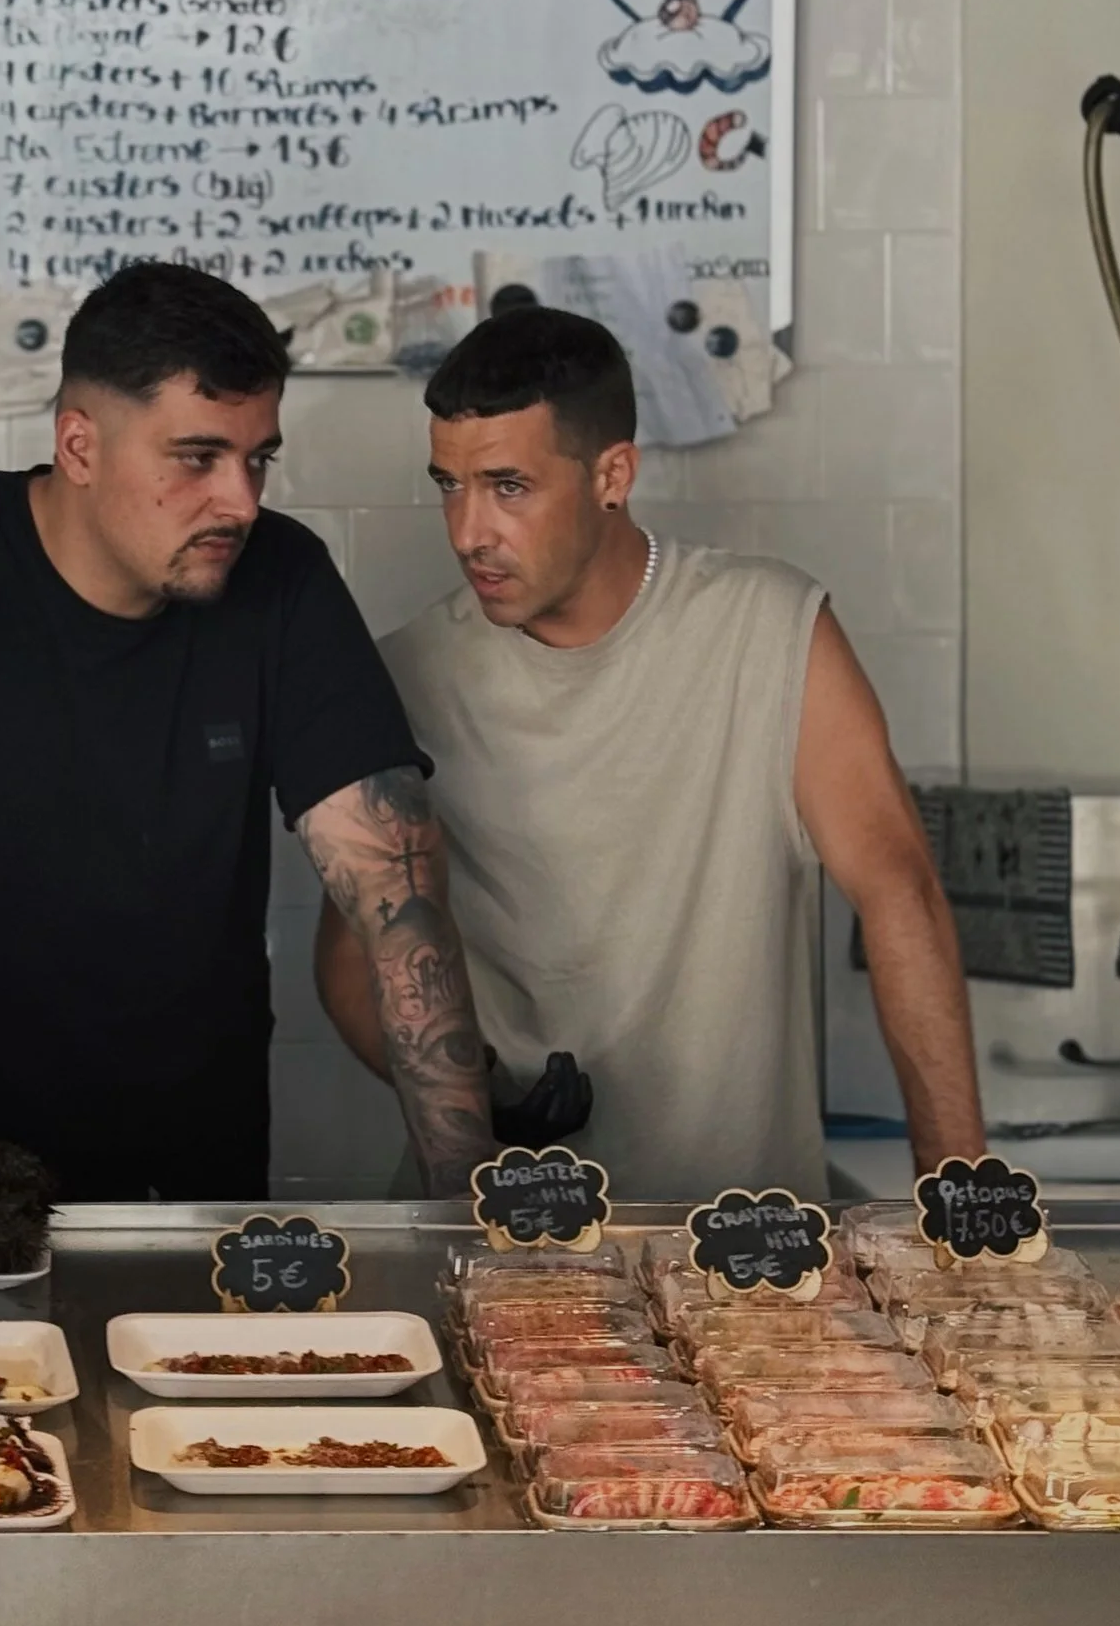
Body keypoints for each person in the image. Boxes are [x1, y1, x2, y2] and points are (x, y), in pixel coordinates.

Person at [0, 262, 496, 1198]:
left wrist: (472, 1211)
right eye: (197, 456)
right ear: (79, 444)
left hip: (180, 1192)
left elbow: (397, 883)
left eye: (258, 457)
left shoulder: (281, 578)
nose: (241, 500)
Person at [314, 305, 985, 1194]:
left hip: (745, 1247)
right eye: (449, 484)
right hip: (496, 1242)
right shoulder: (406, 673)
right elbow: (352, 954)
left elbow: (899, 891)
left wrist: (962, 1199)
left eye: (509, 485)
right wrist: (469, 1101)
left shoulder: (771, 631)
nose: (468, 529)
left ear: (612, 475)